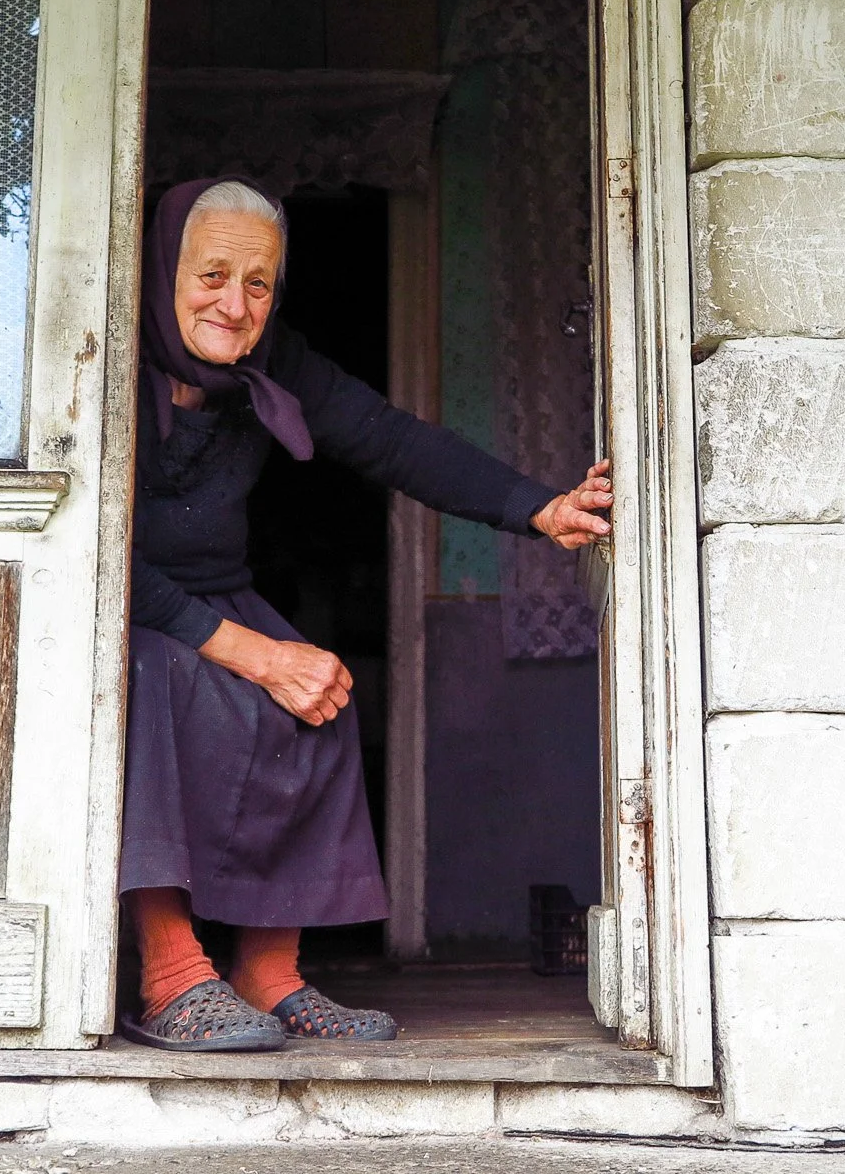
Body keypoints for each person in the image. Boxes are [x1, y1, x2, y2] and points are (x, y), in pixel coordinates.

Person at [119, 176, 612, 1051]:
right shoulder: (106, 357)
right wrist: (255, 654)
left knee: (319, 689)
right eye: (212, 276)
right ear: (164, 272)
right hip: (123, 601)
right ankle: (169, 975)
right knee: (158, 676)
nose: (235, 305)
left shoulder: (278, 364)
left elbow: (391, 438)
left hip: (215, 588)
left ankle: (269, 974)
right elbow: (109, 557)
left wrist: (535, 507)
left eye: (259, 282)